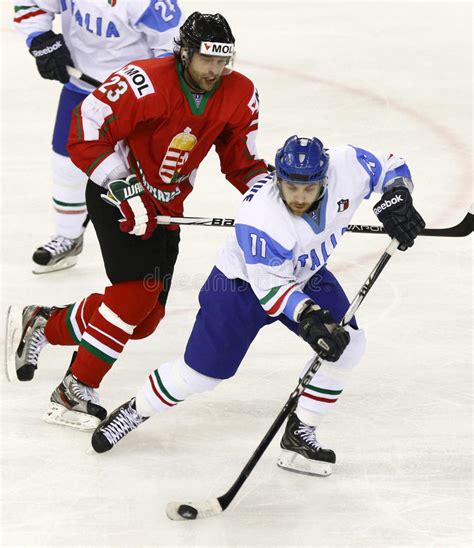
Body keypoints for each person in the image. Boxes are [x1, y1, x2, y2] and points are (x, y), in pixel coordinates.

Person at [89, 135, 425, 476]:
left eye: (308, 189)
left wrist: (398, 195)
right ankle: (137, 409)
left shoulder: (347, 164)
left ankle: (300, 433)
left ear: (325, 179)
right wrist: (310, 318)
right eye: (291, 187)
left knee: (348, 345)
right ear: (277, 178)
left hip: (307, 274)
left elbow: (391, 166)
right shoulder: (262, 217)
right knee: (200, 375)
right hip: (240, 287)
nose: (299, 197)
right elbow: (272, 291)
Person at [7, 11, 271, 431]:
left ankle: (45, 321)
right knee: (133, 299)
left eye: (223, 62)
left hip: (167, 207)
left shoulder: (239, 93)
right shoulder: (145, 80)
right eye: (207, 60)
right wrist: (121, 184)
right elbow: (87, 126)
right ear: (184, 53)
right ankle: (74, 388)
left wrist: (273, 199)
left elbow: (242, 159)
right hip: (119, 196)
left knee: (146, 320)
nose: (215, 71)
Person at [14, 0, 184, 273]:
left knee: (137, 173)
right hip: (81, 89)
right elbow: (29, 4)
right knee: (66, 163)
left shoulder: (149, 3)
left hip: (134, 100)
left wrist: (156, 95)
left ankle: (150, 244)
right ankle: (68, 236)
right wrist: (41, 38)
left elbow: (173, 52)